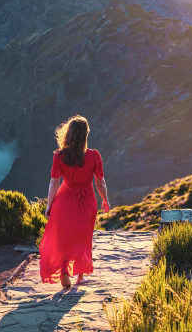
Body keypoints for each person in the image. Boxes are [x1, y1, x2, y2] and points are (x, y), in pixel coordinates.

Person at [39, 115, 111, 288]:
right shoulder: (94, 156)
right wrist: (105, 200)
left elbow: (54, 182)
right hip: (87, 201)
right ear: (85, 135)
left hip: (64, 201)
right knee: (83, 237)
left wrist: (49, 204)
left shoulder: (59, 156)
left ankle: (64, 272)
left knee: (64, 237)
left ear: (68, 134)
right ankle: (80, 276)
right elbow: (100, 182)